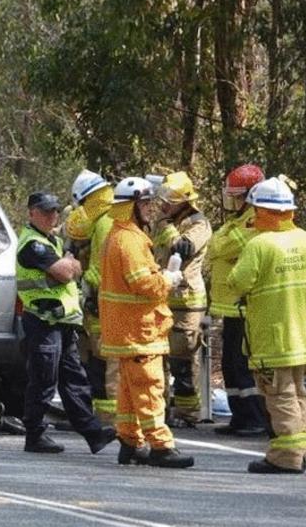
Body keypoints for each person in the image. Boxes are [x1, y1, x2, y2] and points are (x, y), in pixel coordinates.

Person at [226, 176, 306, 474]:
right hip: (302, 335)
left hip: (273, 336)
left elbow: (237, 282)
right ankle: (300, 449)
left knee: (280, 394)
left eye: (256, 209)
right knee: (298, 393)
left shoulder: (260, 245)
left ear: (264, 212)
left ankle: (287, 456)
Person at [99, 177, 194, 468]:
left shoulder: (122, 235)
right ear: (130, 206)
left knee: (129, 389)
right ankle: (161, 446)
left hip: (128, 328)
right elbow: (144, 285)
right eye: (144, 203)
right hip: (138, 329)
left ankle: (130, 442)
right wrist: (169, 278)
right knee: (150, 386)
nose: (150, 209)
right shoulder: (129, 240)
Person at [15, 192, 118, 454]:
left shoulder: (53, 242)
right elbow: (64, 272)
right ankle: (34, 435)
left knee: (74, 378)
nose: (53, 216)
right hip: (42, 321)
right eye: (46, 211)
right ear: (32, 213)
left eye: (55, 212)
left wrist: (70, 265)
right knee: (43, 379)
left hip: (63, 322)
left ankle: (93, 433)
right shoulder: (32, 244)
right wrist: (69, 265)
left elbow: (74, 268)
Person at [208, 163, 271, 437]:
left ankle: (255, 416)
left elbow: (221, 245)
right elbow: (217, 245)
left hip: (246, 304)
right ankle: (240, 416)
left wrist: (221, 241)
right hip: (231, 306)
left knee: (243, 364)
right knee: (231, 364)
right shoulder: (238, 220)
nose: (231, 200)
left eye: (236, 194)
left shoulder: (256, 219)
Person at [151, 171, 212, 425]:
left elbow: (182, 248)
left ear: (184, 201)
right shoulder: (164, 220)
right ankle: (161, 409)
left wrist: (165, 225)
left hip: (186, 301)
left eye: (170, 200)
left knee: (182, 359)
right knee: (158, 357)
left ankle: (188, 413)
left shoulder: (199, 223)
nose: (164, 204)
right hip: (161, 296)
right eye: (163, 199)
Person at [66, 169, 119, 424]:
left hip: (104, 304)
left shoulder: (106, 223)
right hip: (100, 304)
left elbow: (101, 269)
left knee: (105, 362)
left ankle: (108, 418)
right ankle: (100, 415)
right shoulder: (105, 221)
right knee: (97, 361)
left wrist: (86, 288)